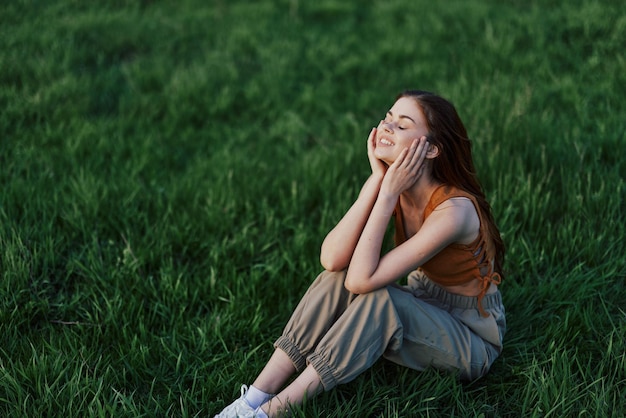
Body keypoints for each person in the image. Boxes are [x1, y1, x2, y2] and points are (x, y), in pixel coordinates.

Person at [213, 90, 506, 418]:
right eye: (388, 118)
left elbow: (362, 278)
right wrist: (377, 181)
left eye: (403, 125)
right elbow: (333, 261)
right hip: (423, 299)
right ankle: (254, 397)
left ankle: (272, 412)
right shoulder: (395, 186)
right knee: (336, 279)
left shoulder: (454, 212)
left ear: (433, 149)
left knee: (379, 299)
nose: (387, 126)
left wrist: (387, 194)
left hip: (471, 337)